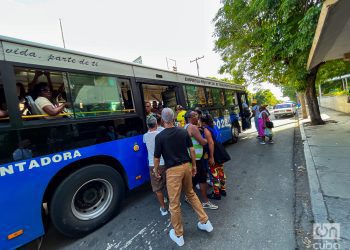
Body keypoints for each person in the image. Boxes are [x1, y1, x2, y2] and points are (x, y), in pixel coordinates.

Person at [154, 108, 213, 247]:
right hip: (186, 166)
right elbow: (192, 150)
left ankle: (178, 235)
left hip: (173, 171)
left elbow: (156, 158)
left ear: (162, 120)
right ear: (174, 118)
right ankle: (205, 222)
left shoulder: (160, 137)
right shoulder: (182, 131)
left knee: (174, 203)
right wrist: (194, 165)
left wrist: (156, 171)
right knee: (191, 194)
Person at [184, 111, 218, 210]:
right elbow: (203, 142)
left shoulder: (186, 127)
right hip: (197, 159)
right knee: (202, 180)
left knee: (193, 179)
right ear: (190, 118)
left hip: (191, 158)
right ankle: (206, 201)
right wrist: (208, 139)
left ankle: (188, 197)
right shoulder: (193, 127)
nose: (197, 117)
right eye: (195, 115)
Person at [143, 116, 168, 216]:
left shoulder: (145, 136)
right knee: (168, 184)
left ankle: (163, 208)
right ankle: (174, 203)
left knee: (157, 188)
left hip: (153, 165)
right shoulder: (161, 134)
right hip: (164, 163)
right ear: (156, 124)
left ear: (147, 125)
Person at [201, 114, 227, 200]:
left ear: (204, 122)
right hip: (219, 152)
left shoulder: (206, 130)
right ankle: (223, 190)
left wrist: (211, 157)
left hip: (213, 153)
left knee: (214, 174)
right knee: (221, 172)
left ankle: (217, 194)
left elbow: (210, 143)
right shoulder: (214, 126)